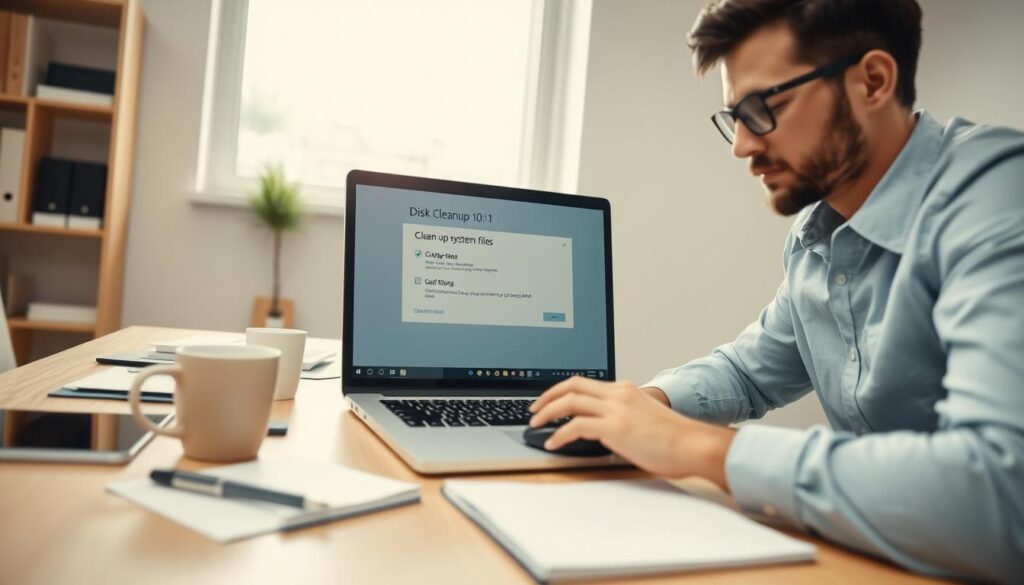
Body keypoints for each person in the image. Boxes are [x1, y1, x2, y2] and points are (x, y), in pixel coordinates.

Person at [527, 0, 1024, 582]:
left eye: (764, 108)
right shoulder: (818, 235)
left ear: (873, 81)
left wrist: (700, 449)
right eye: (733, 116)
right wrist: (646, 407)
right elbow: (748, 372)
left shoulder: (997, 197)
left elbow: (997, 495)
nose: (741, 145)